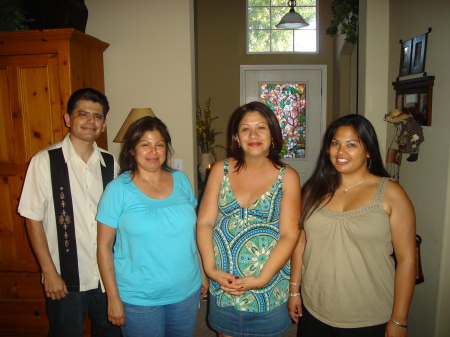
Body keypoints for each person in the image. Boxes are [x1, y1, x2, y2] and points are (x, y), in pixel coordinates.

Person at [288, 114, 416, 337]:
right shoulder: (313, 189)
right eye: (335, 143)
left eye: (351, 144)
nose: (340, 152)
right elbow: (301, 242)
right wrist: (294, 290)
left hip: (369, 314)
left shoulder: (391, 194)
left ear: (368, 151)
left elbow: (406, 260)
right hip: (316, 307)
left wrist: (399, 319)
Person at [17, 88, 121, 337]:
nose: (90, 121)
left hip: (107, 276)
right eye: (83, 114)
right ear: (68, 119)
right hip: (64, 277)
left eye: (97, 116)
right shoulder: (44, 161)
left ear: (104, 124)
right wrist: (49, 272)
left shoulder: (111, 163)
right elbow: (33, 219)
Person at [197, 101, 301, 337]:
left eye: (261, 127)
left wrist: (261, 279)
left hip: (267, 287)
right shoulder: (220, 170)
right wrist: (210, 269)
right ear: (237, 136)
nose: (253, 135)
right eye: (245, 128)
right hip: (224, 283)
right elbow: (204, 222)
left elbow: (290, 234)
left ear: (273, 133)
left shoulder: (288, 177)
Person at [96, 116, 207, 337]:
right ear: (132, 150)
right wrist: (113, 297)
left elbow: (193, 234)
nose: (153, 151)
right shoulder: (118, 189)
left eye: (159, 145)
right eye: (145, 145)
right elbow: (104, 247)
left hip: (186, 289)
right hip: (139, 296)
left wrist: (203, 273)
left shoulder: (182, 180)